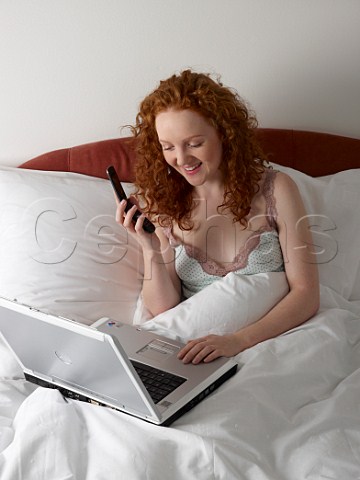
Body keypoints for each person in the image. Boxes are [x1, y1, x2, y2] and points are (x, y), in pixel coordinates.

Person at [116, 69, 319, 364]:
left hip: (269, 345)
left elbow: (306, 295)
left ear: (224, 134)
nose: (182, 160)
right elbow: (164, 308)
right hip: (196, 355)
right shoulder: (165, 205)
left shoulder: (276, 189)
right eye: (168, 147)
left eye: (194, 143)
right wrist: (150, 248)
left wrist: (237, 341)